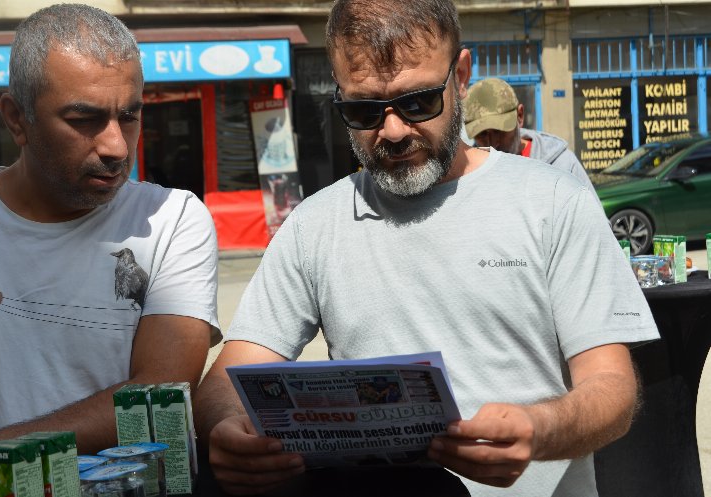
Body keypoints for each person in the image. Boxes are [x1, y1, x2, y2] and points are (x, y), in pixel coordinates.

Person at [193, 0, 658, 495]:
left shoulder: (554, 202)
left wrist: (540, 431)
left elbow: (612, 388)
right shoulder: (313, 225)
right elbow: (233, 371)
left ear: (460, 75)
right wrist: (226, 428)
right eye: (364, 110)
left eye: (417, 103)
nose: (392, 131)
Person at [0, 4, 219, 456]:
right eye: (84, 120)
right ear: (17, 119)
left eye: (130, 116)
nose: (117, 146)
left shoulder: (170, 218)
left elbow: (160, 390)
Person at [463, 77, 597, 196]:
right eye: (481, 134)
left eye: (499, 131)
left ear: (520, 116)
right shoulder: (468, 174)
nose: (493, 143)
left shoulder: (562, 165)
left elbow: (595, 222)